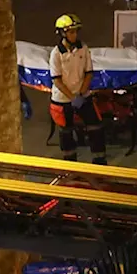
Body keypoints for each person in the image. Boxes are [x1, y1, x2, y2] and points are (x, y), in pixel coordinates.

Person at [49, 14, 107, 165]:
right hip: (63, 99)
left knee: (96, 127)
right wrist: (72, 97)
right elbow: (57, 80)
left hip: (82, 95)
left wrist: (81, 94)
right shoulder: (56, 53)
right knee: (66, 133)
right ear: (62, 33)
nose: (74, 35)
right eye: (70, 32)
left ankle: (99, 162)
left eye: (75, 31)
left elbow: (88, 73)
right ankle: (71, 166)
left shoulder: (83, 48)